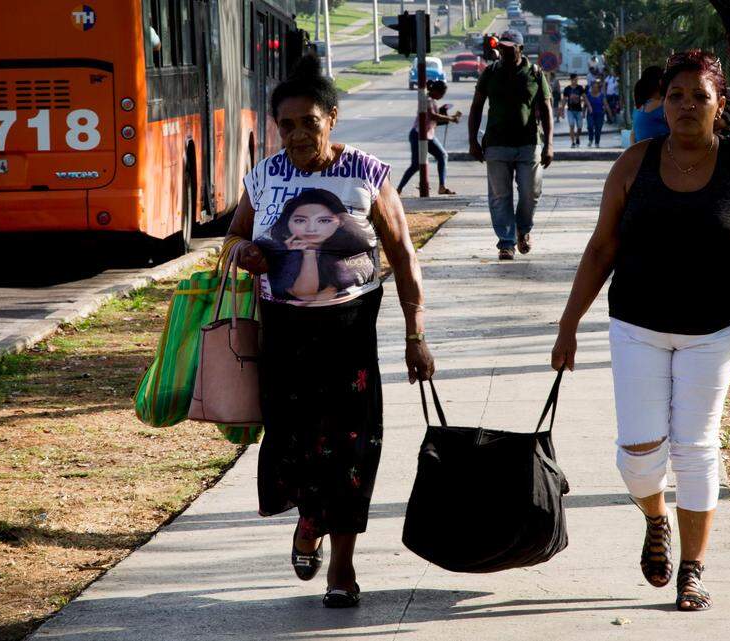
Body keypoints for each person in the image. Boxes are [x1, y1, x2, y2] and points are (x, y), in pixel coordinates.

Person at [550, 50, 730, 613]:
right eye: (676, 95)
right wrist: (569, 324)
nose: (686, 106)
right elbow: (601, 248)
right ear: (663, 102)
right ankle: (655, 517)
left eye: (699, 97)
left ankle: (693, 569)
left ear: (719, 105)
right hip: (636, 325)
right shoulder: (634, 164)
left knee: (695, 449)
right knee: (637, 455)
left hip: (714, 332)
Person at [225, 55, 435, 609]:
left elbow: (402, 253)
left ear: (332, 119)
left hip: (350, 335)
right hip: (284, 335)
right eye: (286, 125)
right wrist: (244, 251)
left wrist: (416, 332)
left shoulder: (367, 173)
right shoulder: (264, 175)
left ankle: (342, 568)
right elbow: (232, 238)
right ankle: (308, 520)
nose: (297, 135)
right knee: (291, 445)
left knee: (352, 448)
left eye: (308, 123)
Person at [467, 31, 553, 260]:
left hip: (529, 143)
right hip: (496, 144)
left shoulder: (535, 74)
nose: (504, 51)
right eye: (502, 47)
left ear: (520, 48)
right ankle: (506, 242)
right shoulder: (490, 72)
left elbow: (546, 109)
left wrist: (549, 144)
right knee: (499, 196)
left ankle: (523, 229)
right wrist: (473, 140)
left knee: (530, 192)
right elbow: (476, 107)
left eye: (509, 48)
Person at [397, 79, 461, 196]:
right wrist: (450, 118)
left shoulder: (432, 100)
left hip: (428, 135)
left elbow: (433, 120)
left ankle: (442, 186)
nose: (442, 96)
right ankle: (399, 189)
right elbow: (432, 116)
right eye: (441, 94)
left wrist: (446, 116)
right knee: (416, 164)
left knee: (442, 155)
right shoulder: (427, 100)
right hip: (418, 135)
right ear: (436, 91)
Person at [631, 65, 668, 143]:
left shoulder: (640, 108)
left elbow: (632, 136)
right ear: (661, 82)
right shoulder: (663, 106)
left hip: (640, 153)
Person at [561, 73, 586, 148]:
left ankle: (577, 137)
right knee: (571, 125)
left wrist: (588, 106)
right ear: (571, 80)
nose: (576, 81)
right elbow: (564, 100)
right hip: (570, 110)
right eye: (575, 79)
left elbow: (585, 98)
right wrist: (562, 110)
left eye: (577, 79)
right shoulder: (567, 89)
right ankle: (573, 142)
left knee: (580, 127)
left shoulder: (580, 88)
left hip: (579, 110)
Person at [585, 78, 610, 147]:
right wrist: (583, 113)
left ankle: (597, 142)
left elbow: (606, 104)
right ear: (591, 88)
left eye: (596, 87)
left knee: (598, 128)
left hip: (599, 114)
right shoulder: (588, 95)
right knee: (590, 126)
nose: (595, 89)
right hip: (591, 114)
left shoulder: (601, 96)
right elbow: (585, 105)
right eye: (593, 87)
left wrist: (610, 114)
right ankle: (590, 139)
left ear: (598, 88)